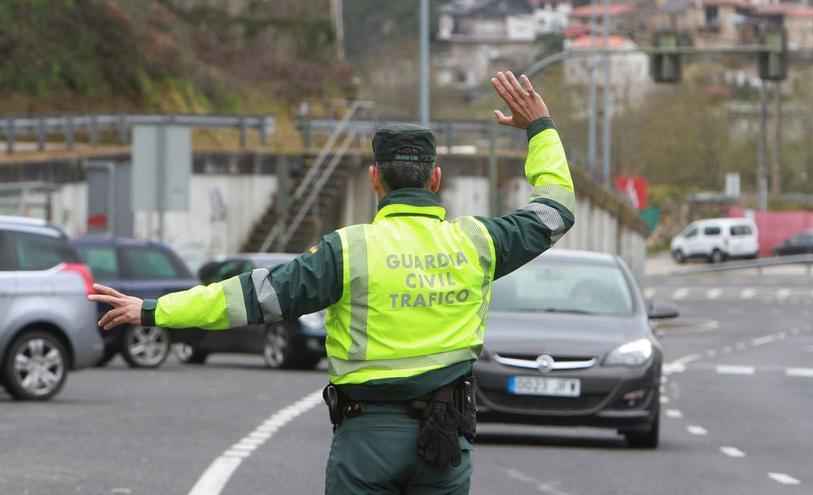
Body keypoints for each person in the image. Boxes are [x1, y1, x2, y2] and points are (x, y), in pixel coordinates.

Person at [89, 71, 575, 494]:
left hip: (366, 440)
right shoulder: (478, 243)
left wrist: (155, 310)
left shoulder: (350, 249)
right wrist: (540, 129)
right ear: (435, 179)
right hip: (444, 440)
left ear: (374, 179)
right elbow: (554, 211)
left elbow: (251, 298)